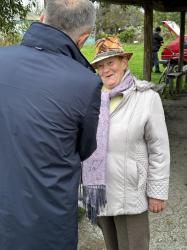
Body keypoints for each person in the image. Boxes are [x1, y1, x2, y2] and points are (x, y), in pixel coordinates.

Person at [0, 1, 101, 250]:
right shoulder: (85, 83)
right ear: (84, 37)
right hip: (47, 220)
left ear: (42, 17)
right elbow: (85, 148)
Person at [82, 36, 170, 250]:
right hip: (99, 191)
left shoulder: (146, 98)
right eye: (100, 66)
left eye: (111, 62)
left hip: (130, 192)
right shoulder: (91, 99)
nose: (105, 69)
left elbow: (159, 149)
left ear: (124, 61)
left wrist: (157, 192)